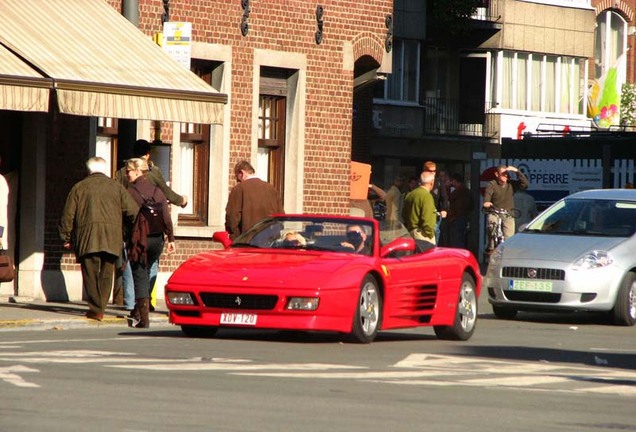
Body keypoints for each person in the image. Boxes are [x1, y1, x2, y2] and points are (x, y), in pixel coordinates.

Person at [59, 157, 139, 321]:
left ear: (89, 170)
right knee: (107, 273)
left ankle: (96, 308)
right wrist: (128, 231)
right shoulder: (116, 187)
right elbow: (133, 211)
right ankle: (100, 307)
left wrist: (65, 236)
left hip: (88, 237)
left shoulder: (79, 188)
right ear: (105, 169)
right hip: (112, 237)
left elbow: (68, 215)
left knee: (90, 273)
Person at [114, 139, 187, 311]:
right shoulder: (152, 172)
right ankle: (146, 302)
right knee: (151, 265)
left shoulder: (121, 173)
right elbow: (166, 194)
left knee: (132, 265)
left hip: (130, 227)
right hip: (152, 229)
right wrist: (181, 201)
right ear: (147, 154)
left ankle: (132, 303)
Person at [125, 158, 176, 328]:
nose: (127, 175)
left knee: (139, 275)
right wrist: (171, 238)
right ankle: (138, 310)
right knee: (145, 274)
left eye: (129, 171)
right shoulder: (157, 191)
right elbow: (166, 217)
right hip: (157, 240)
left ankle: (143, 319)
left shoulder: (131, 192)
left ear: (138, 171)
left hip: (140, 239)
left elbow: (126, 217)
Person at [225, 160, 284, 239]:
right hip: (271, 242)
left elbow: (232, 219)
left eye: (238, 179)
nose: (238, 182)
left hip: (249, 243)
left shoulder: (239, 189)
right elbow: (281, 216)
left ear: (241, 173)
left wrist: (237, 239)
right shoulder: (271, 189)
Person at [483, 165, 529, 252]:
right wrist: (487, 203)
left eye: (507, 174)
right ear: (497, 174)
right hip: (495, 211)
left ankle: (507, 252)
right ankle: (491, 246)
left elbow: (525, 184)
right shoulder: (492, 184)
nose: (506, 176)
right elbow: (487, 197)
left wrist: (516, 171)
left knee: (509, 237)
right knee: (491, 224)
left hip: (508, 213)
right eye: (503, 174)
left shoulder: (511, 184)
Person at [402, 170, 437, 245]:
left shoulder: (410, 195)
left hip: (411, 232)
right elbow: (428, 219)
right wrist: (430, 234)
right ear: (432, 182)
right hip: (423, 235)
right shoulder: (427, 196)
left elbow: (404, 214)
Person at [423, 161, 449, 245]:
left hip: (435, 214)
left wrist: (444, 209)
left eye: (434, 171)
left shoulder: (439, 182)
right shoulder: (420, 182)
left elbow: (444, 197)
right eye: (430, 171)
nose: (433, 173)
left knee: (435, 232)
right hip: (423, 214)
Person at [446, 173, 474, 248]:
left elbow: (450, 198)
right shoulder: (467, 191)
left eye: (452, 181)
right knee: (459, 238)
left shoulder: (459, 191)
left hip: (457, 217)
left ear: (455, 181)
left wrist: (447, 188)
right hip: (463, 217)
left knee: (456, 240)